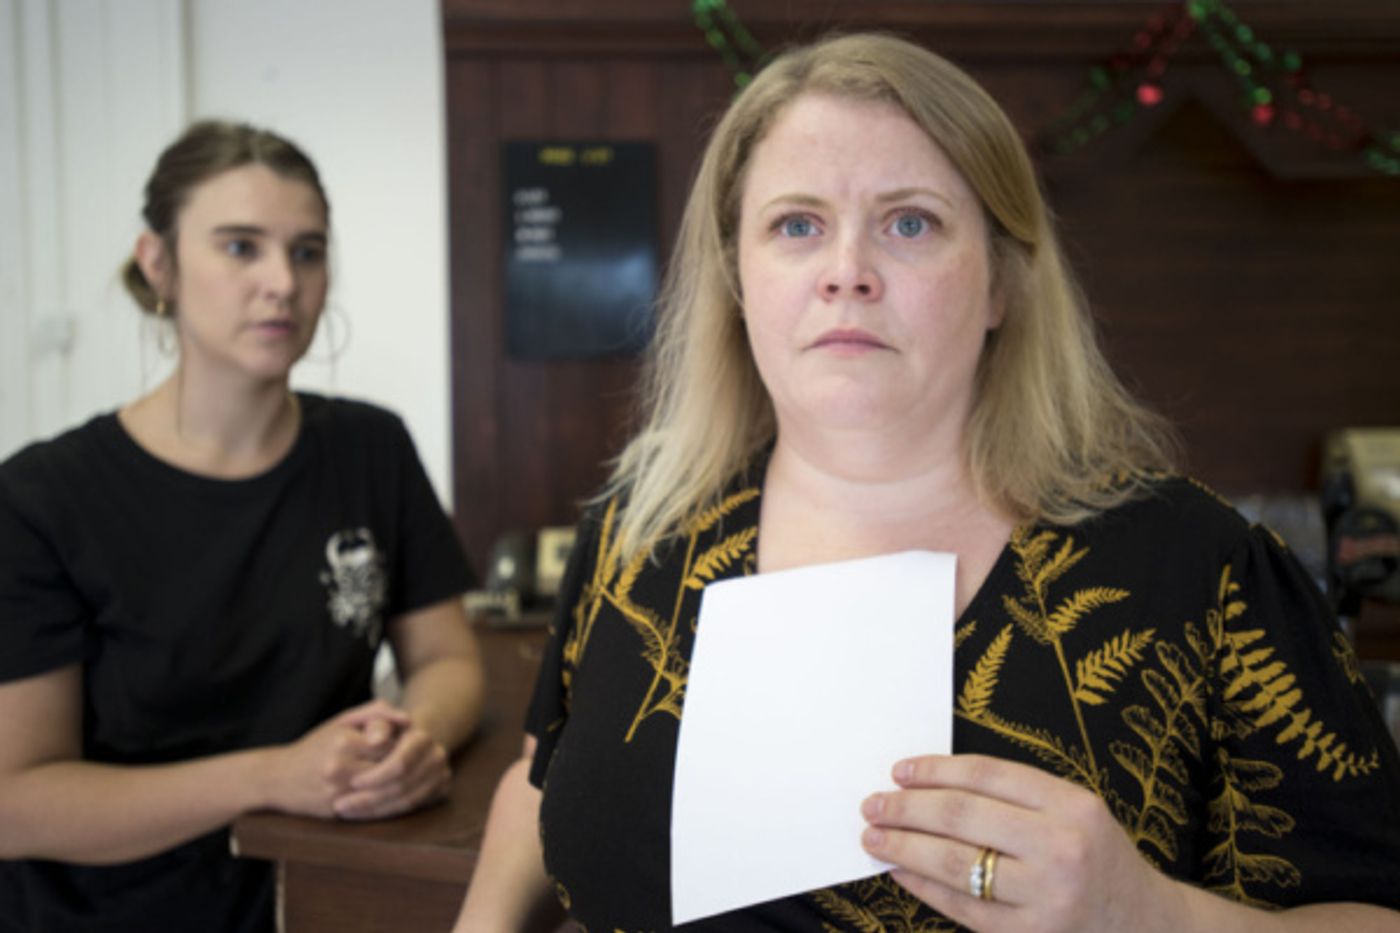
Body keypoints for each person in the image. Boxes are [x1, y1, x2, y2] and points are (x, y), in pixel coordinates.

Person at [454, 32, 1400, 933]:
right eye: (797, 225)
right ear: (738, 280)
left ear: (1000, 285)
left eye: (910, 222)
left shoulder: (1202, 569)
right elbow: (542, 775)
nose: (848, 272)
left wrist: (1147, 911)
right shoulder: (638, 532)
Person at [0, 121, 485, 933]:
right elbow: (17, 799)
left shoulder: (371, 446)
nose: (281, 283)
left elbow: (447, 657)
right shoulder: (42, 497)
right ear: (159, 264)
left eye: (306, 251)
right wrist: (273, 777)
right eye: (239, 248)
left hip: (323, 897)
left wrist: (411, 744)